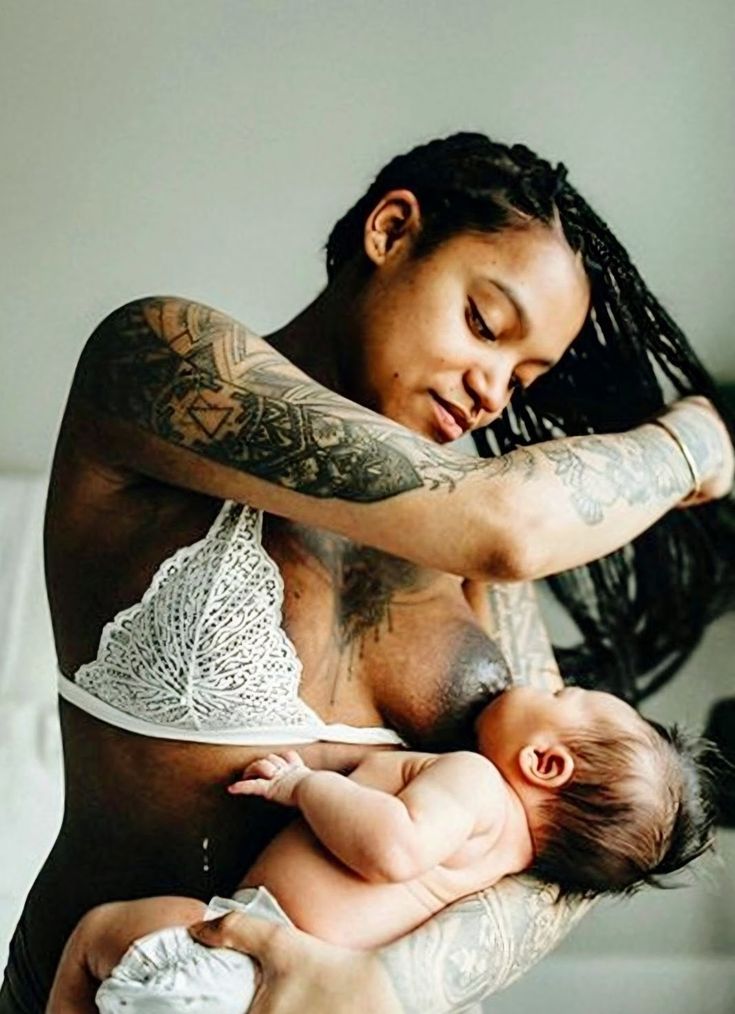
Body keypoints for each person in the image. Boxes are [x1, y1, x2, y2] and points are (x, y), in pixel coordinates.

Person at [2, 132, 734, 1014]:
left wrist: (381, 984)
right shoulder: (165, 361)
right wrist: (700, 439)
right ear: (391, 230)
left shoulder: (473, 568)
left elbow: (557, 855)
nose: (493, 391)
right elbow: (502, 521)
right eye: (484, 325)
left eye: (524, 377)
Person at [47, 685, 713, 1013]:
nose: (540, 684)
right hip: (286, 986)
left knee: (98, 931)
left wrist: (303, 786)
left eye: (561, 694)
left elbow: (392, 848)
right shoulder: (505, 854)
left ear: (543, 762)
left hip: (239, 969)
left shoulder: (476, 783)